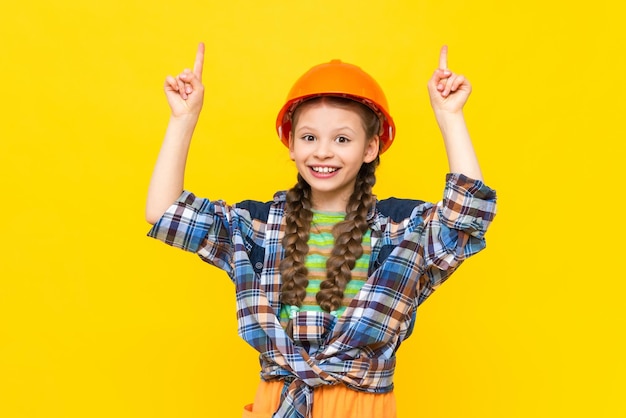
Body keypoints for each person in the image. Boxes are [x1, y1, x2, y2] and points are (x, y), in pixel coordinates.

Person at [145, 43, 497, 418]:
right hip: (278, 404)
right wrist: (183, 119)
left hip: (362, 409)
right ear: (291, 145)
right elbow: (164, 212)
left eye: (342, 139)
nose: (323, 152)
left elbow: (467, 216)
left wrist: (450, 115)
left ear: (370, 147)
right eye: (309, 137)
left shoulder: (398, 230)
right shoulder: (260, 228)